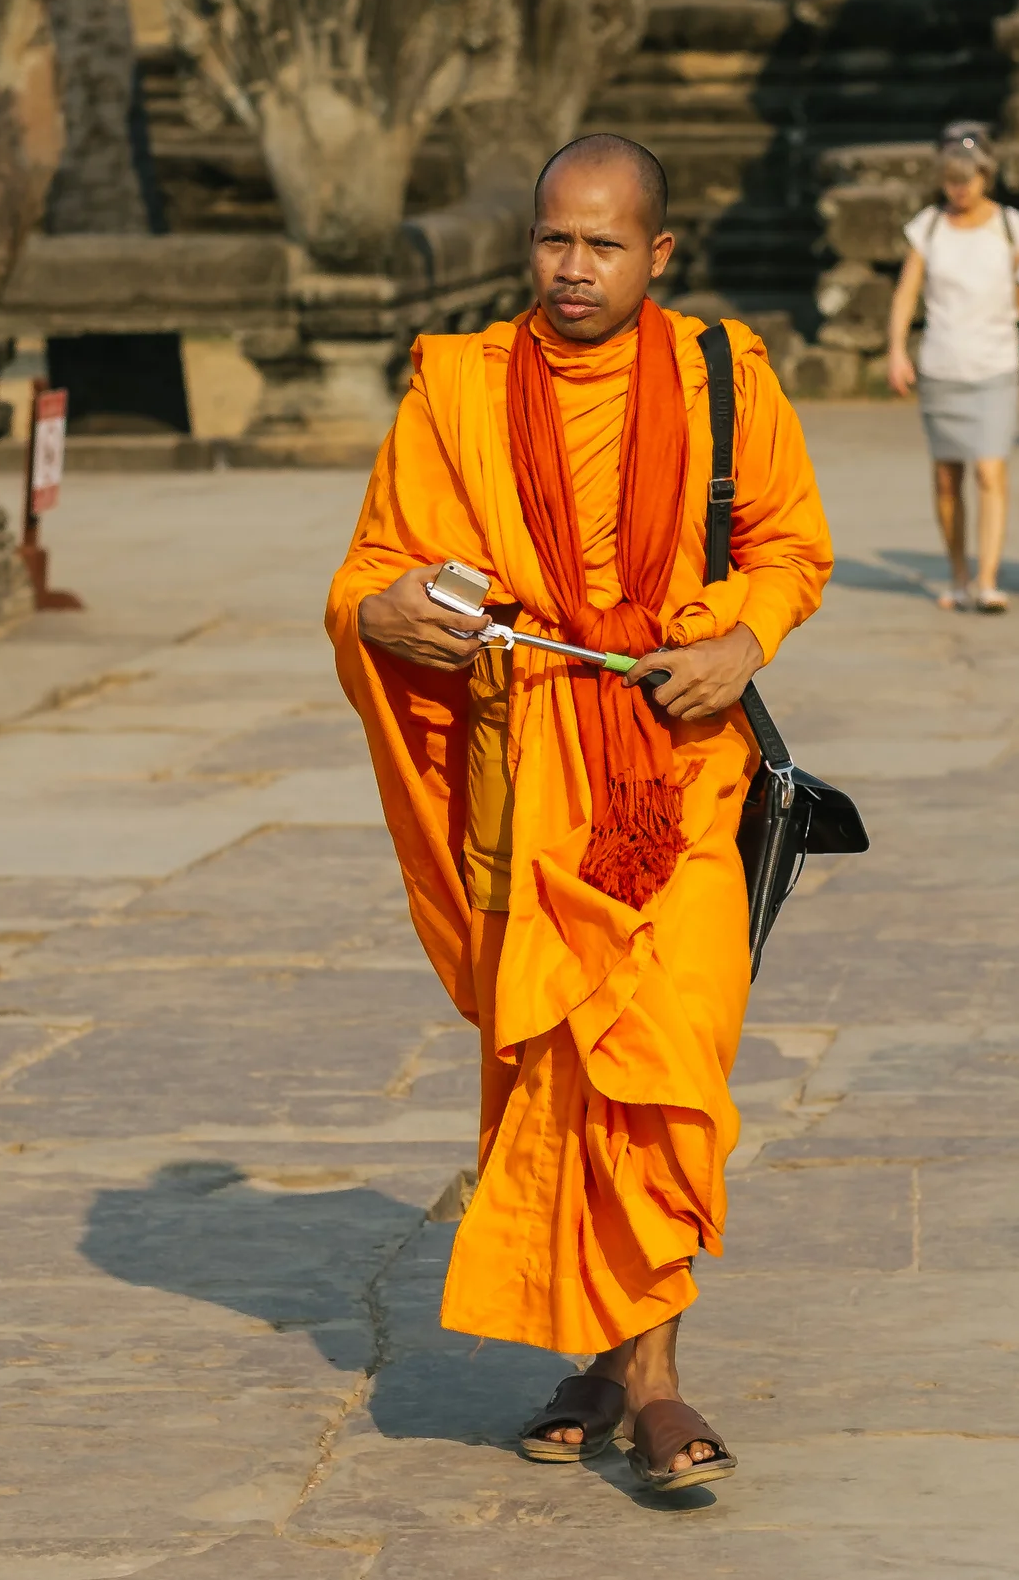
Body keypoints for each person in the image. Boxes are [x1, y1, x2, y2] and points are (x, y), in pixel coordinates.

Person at [325, 135, 831, 1493]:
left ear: (657, 255)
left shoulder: (724, 376)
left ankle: (641, 1369)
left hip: (679, 776)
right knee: (559, 1069)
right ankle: (631, 1368)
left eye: (604, 245)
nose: (573, 268)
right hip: (529, 780)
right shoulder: (461, 386)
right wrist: (385, 614)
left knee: (668, 1068)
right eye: (555, 239)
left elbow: (790, 546)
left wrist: (742, 640)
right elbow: (373, 574)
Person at [884, 123, 1019, 613]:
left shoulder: (1011, 227)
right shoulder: (928, 227)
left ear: (986, 177)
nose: (960, 189)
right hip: (942, 365)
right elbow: (906, 292)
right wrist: (897, 348)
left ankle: (988, 578)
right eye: (951, 180)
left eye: (969, 179)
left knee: (990, 470)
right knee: (947, 476)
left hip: (996, 363)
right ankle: (958, 574)